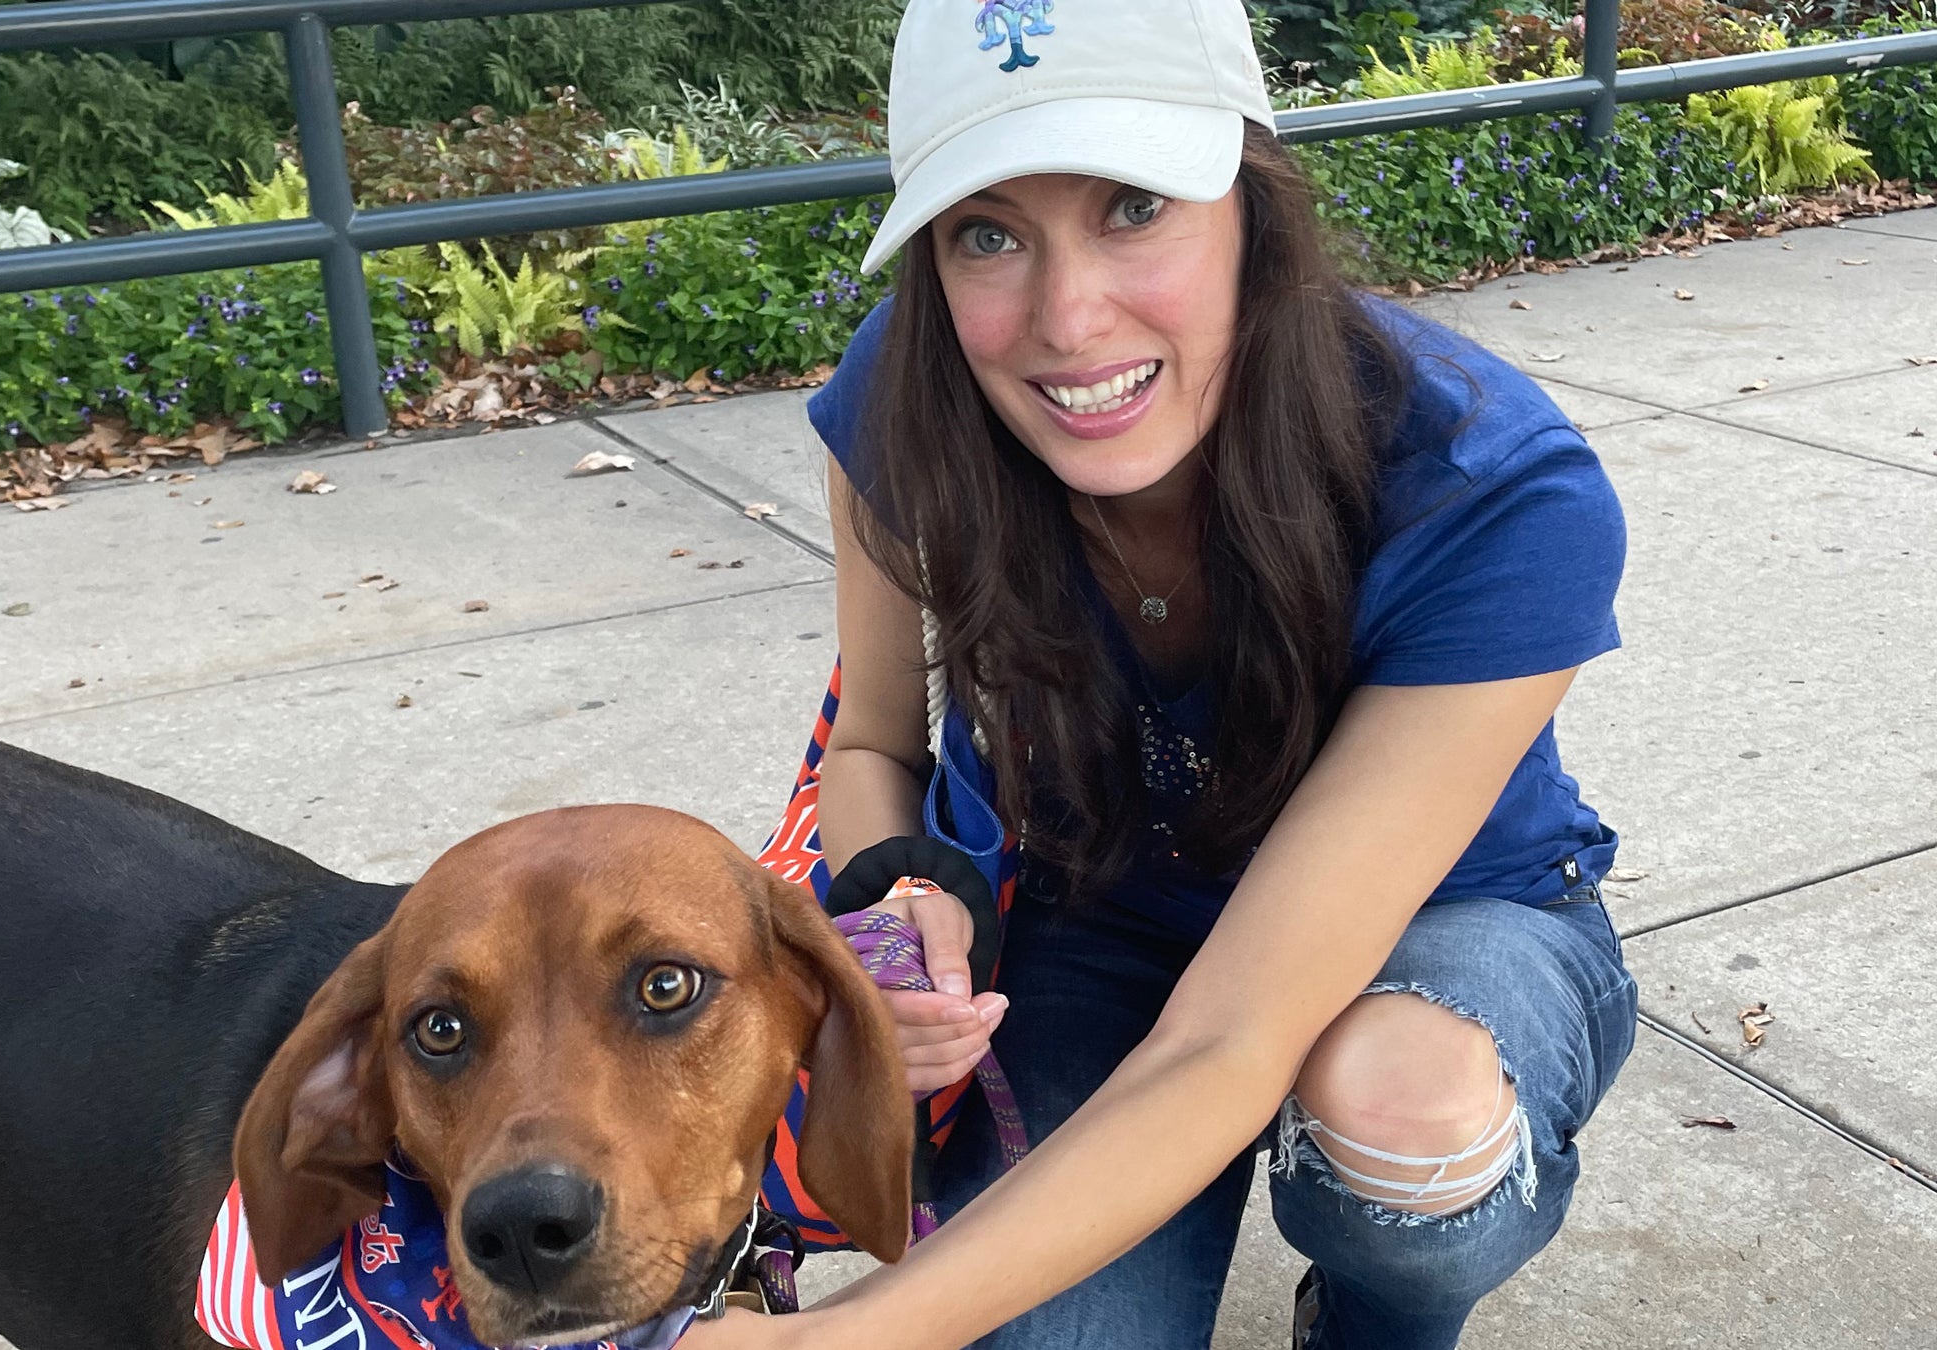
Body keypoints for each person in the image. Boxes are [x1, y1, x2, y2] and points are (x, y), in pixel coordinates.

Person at [687, 0, 1637, 1345]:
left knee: (1399, 1123)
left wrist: (829, 1336)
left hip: (1447, 919)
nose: (1068, 318)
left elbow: (1232, 1035)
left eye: (1135, 205)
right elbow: (871, 748)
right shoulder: (903, 402)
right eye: (989, 233)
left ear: (1252, 204)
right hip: (1092, 926)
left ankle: (1373, 1319)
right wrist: (903, 909)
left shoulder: (1490, 489)